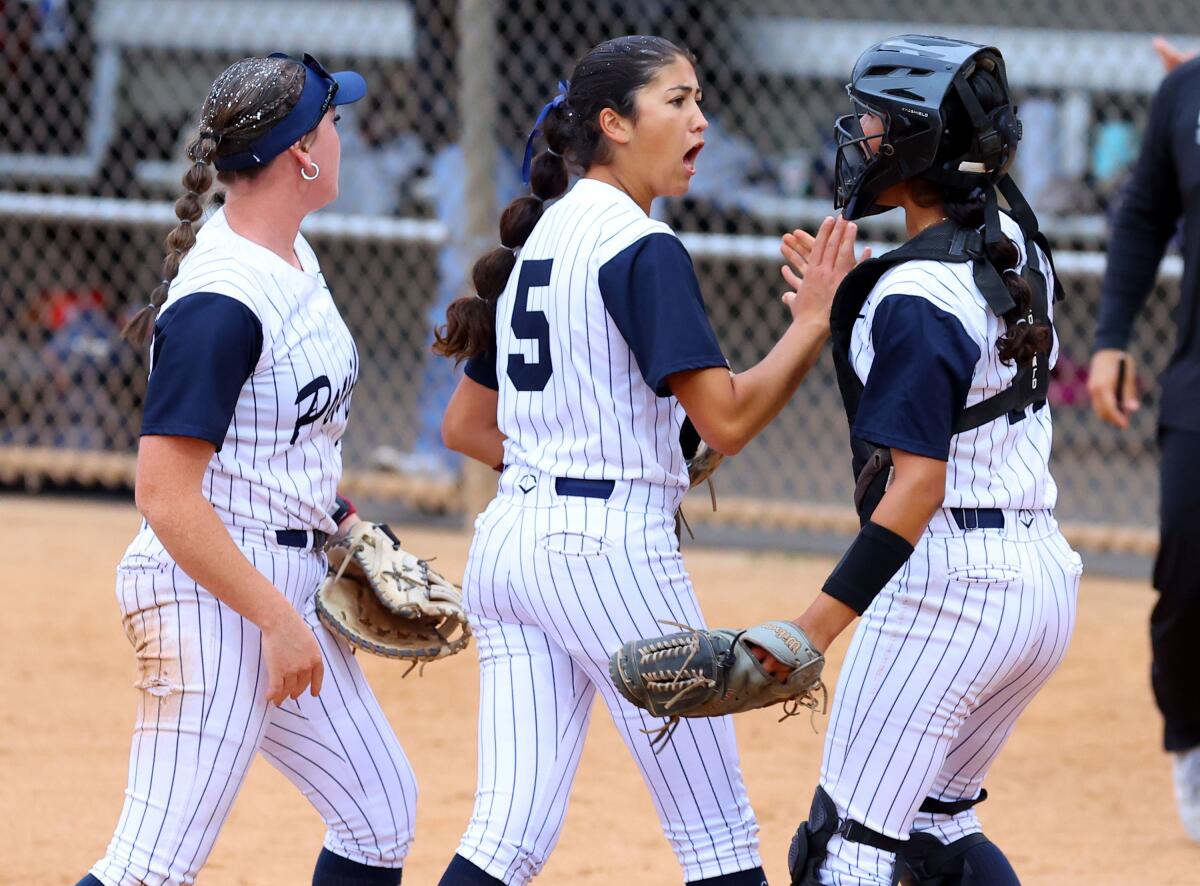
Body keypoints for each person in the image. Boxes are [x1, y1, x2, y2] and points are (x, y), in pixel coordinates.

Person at [431, 35, 859, 886]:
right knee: (719, 834)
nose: (700, 120)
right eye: (677, 101)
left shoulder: (540, 242)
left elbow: (466, 426)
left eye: (699, 100)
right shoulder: (641, 245)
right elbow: (727, 422)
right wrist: (812, 321)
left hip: (511, 542)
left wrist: (597, 451)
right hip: (608, 551)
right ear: (613, 124)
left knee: (505, 834)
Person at [76, 53, 418, 886]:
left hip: (279, 568)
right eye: (335, 123)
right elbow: (163, 494)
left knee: (381, 812)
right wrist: (275, 618)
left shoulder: (290, 258)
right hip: (211, 592)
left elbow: (277, 436)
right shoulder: (222, 300)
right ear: (302, 153)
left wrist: (340, 523)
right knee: (151, 866)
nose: (345, 136)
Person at [772, 36, 1081, 885]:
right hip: (1039, 583)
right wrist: (840, 313)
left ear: (914, 145)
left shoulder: (913, 296)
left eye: (875, 121)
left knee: (847, 850)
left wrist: (810, 634)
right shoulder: (1016, 237)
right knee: (936, 832)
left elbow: (914, 487)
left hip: (952, 591)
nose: (860, 134)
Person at [1087, 43, 1200, 844]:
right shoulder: (1185, 94)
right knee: (1190, 585)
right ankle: (1194, 744)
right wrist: (1113, 335)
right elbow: (1143, 216)